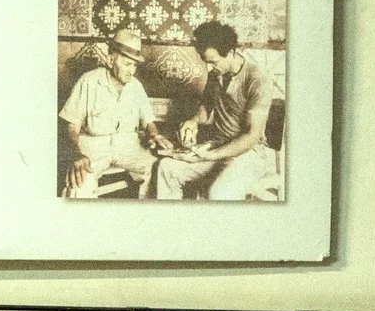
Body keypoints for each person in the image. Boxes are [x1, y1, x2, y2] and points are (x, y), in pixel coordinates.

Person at [151, 20, 280, 201]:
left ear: (231, 53)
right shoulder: (216, 73)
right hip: (218, 146)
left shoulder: (257, 79)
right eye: (206, 62)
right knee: (167, 168)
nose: (208, 68)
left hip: (250, 155)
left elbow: (251, 136)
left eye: (213, 62)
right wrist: (193, 122)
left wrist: (211, 155)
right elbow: (206, 107)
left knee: (218, 194)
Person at [58, 28, 159, 197]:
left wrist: (154, 135)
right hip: (93, 147)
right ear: (110, 60)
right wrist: (76, 154)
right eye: (127, 64)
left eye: (134, 65)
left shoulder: (136, 86)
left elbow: (149, 121)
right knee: (78, 183)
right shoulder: (89, 81)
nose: (132, 71)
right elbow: (72, 128)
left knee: (159, 170)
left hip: (129, 145)